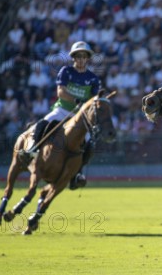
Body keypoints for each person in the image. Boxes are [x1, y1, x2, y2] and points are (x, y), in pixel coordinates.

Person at [19, 41, 101, 190]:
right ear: (74, 58)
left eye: (84, 56)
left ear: (87, 58)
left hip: (79, 117)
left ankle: (77, 174)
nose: (81, 59)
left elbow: (94, 100)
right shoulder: (66, 71)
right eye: (78, 56)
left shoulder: (93, 78)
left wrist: (87, 105)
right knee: (43, 123)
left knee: (89, 142)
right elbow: (60, 92)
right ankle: (31, 150)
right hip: (62, 110)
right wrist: (76, 100)